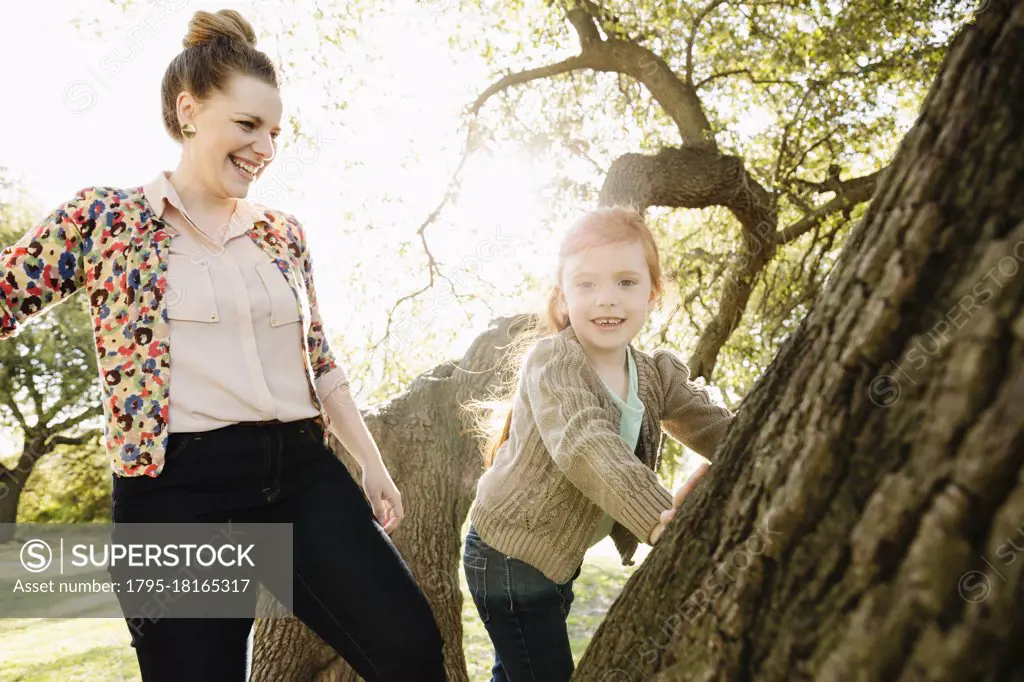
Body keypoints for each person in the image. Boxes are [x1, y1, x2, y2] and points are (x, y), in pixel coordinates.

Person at [0, 10, 445, 682]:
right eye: (248, 125)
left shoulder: (281, 234)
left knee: (410, 650)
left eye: (274, 132)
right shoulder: (105, 219)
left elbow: (320, 359)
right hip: (177, 493)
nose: (265, 146)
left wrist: (371, 465)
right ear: (188, 112)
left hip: (303, 477)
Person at [463, 206, 735, 681]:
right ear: (563, 297)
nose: (606, 299)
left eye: (626, 283)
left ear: (652, 295)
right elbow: (586, 443)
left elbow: (715, 427)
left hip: (557, 557)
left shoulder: (654, 374)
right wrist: (657, 517)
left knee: (516, 671)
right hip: (507, 554)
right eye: (587, 284)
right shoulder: (554, 361)